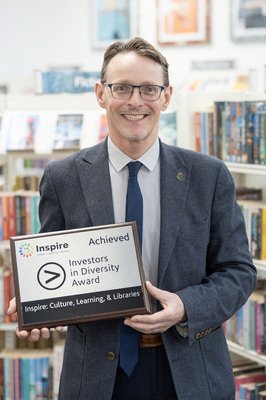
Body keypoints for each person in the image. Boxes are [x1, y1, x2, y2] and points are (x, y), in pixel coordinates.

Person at [8, 37, 256, 400]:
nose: (135, 101)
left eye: (149, 89)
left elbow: (238, 272)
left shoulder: (208, 175)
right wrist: (39, 307)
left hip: (188, 372)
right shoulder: (63, 179)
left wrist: (184, 306)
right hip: (98, 377)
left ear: (166, 97)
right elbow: (58, 270)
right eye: (121, 87)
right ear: (100, 93)